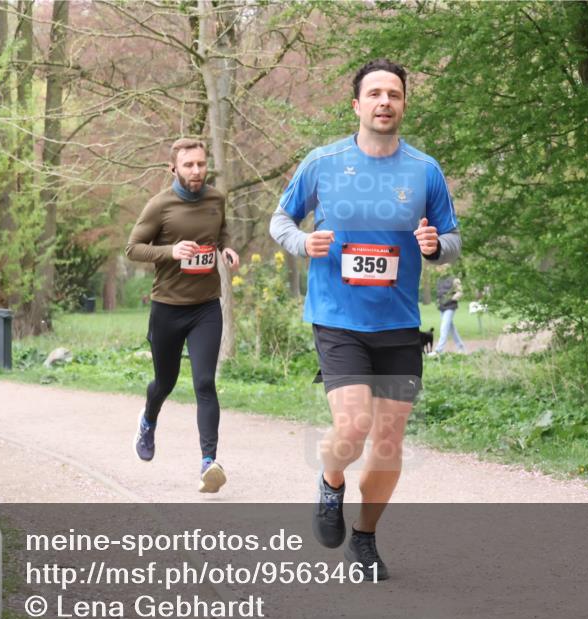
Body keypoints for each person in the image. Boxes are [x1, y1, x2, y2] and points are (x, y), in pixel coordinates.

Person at [270, 59, 460, 580]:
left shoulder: (425, 170)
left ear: (403, 105)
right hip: (338, 317)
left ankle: (365, 539)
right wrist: (303, 242)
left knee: (390, 439)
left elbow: (451, 238)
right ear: (356, 105)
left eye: (393, 94)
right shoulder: (323, 163)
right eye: (374, 93)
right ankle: (331, 483)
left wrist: (436, 246)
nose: (384, 101)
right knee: (352, 426)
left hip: (399, 322)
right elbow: (280, 220)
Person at [125, 138, 240, 493]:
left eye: (201, 164)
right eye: (189, 165)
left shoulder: (216, 199)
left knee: (204, 382)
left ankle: (209, 462)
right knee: (165, 382)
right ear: (173, 168)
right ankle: (148, 420)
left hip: (206, 307)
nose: (196, 171)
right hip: (168, 309)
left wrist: (228, 249)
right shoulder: (159, 206)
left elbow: (221, 233)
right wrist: (170, 251)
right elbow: (133, 249)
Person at [430, 272, 466, 355]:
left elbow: (460, 292)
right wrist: (439, 302)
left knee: (444, 327)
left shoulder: (455, 279)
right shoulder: (439, 280)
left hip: (450, 307)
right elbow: (439, 294)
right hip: (442, 308)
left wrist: (451, 299)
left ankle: (439, 350)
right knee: (451, 328)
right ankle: (461, 347)